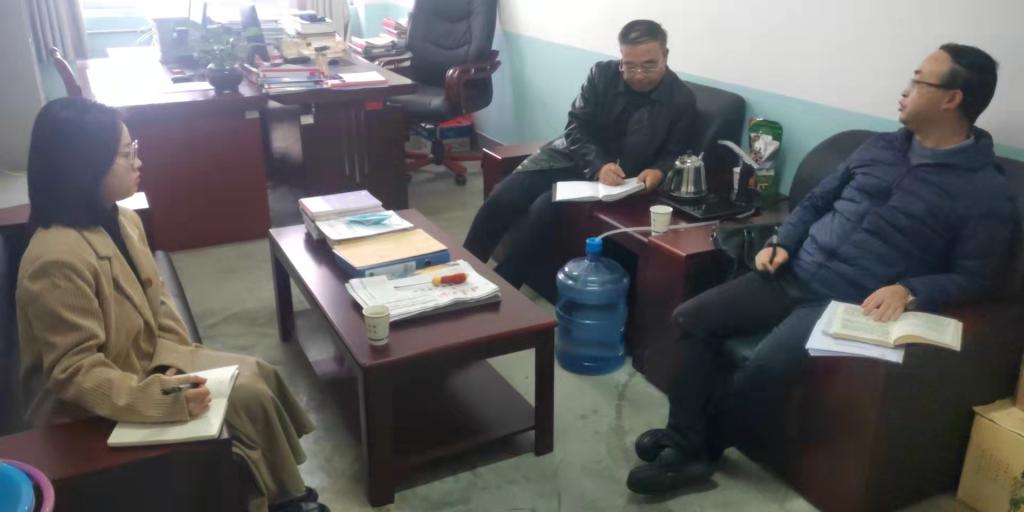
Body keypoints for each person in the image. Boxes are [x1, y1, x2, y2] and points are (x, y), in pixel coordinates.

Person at [626, 43, 1016, 495]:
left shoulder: (982, 192)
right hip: (792, 272)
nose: (904, 90)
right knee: (691, 318)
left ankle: (696, 453)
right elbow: (815, 202)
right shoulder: (880, 146)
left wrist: (909, 290)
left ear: (952, 99)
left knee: (765, 368)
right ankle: (684, 438)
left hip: (845, 303)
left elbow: (977, 275)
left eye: (917, 81)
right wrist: (782, 242)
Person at [16, 97, 328, 512]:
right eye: (126, 154)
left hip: (143, 358)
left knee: (255, 375)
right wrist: (161, 399)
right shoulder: (56, 258)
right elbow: (74, 374)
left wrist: (181, 359)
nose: (139, 162)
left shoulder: (122, 219)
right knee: (242, 395)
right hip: (85, 408)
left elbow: (157, 300)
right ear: (84, 166)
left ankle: (287, 493)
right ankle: (285, 500)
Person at [463, 19, 696, 288]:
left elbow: (676, 152)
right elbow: (576, 126)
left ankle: (502, 288)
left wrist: (659, 171)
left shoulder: (681, 99)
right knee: (504, 196)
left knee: (542, 212)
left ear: (665, 55)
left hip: (618, 183)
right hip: (570, 157)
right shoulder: (602, 74)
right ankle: (462, 271)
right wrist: (598, 165)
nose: (639, 75)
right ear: (621, 57)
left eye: (649, 65)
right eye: (630, 66)